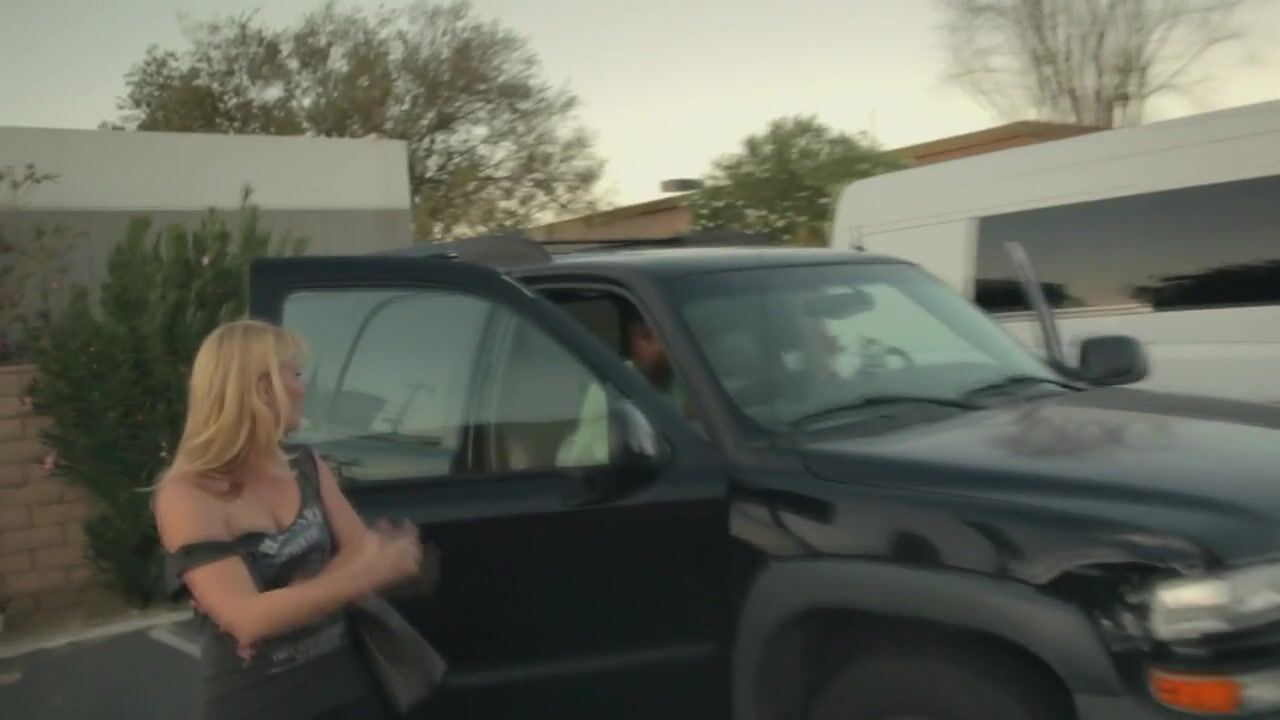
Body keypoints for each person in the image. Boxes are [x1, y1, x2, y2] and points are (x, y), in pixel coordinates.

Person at [152, 319, 426, 720]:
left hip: (348, 687)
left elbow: (360, 546)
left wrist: (300, 596)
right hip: (261, 704)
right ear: (264, 390)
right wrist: (362, 577)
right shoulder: (188, 494)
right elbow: (245, 618)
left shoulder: (304, 464)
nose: (304, 388)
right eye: (294, 375)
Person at [557, 306, 687, 466]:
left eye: (665, 339)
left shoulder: (687, 382)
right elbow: (597, 458)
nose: (659, 349)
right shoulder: (611, 385)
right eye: (647, 338)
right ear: (631, 341)